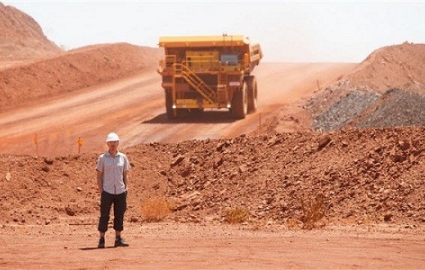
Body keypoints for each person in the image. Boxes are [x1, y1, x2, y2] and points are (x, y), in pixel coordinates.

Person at [96, 132, 130, 248]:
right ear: (107, 143)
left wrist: (126, 189)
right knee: (104, 215)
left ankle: (118, 238)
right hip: (107, 191)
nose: (113, 144)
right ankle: (101, 239)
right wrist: (101, 190)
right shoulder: (102, 158)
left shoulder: (123, 157)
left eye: (115, 142)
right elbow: (99, 175)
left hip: (120, 191)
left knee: (119, 215)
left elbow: (125, 175)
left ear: (118, 143)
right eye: (111, 142)